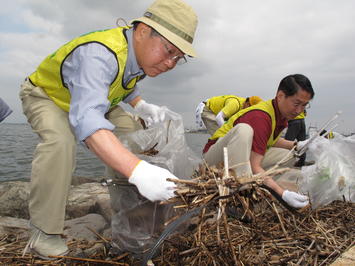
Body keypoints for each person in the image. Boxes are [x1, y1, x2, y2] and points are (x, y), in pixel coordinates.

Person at [19, 0, 198, 259]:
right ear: (143, 30)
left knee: (136, 136)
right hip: (49, 96)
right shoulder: (99, 54)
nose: (170, 63)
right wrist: (137, 170)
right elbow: (89, 119)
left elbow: (124, 82)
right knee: (60, 143)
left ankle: (131, 211)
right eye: (168, 50)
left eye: (177, 59)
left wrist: (141, 105)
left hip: (97, 100)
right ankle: (43, 231)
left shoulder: (139, 55)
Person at [203, 74, 314, 209]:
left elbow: (268, 139)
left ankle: (261, 186)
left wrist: (296, 145)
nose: (299, 110)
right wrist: (281, 193)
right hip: (215, 161)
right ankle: (242, 190)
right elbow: (255, 166)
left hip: (235, 159)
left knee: (290, 154)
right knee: (244, 130)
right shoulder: (261, 116)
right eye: (296, 103)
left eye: (304, 105)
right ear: (280, 96)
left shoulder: (279, 114)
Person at [196, 95, 263, 135]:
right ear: (248, 104)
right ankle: (210, 156)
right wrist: (229, 133)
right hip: (208, 110)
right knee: (219, 137)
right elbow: (218, 118)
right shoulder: (235, 104)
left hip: (215, 112)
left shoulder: (243, 107)